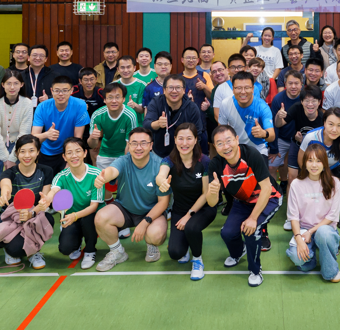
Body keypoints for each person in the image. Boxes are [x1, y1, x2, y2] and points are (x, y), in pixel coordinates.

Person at [207, 125, 282, 287]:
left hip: (269, 197)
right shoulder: (215, 165)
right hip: (243, 201)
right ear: (215, 147)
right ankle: (239, 251)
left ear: (236, 140)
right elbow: (212, 203)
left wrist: (253, 218)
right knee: (227, 233)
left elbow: (266, 188)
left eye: (228, 141)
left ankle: (255, 271)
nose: (225, 146)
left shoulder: (251, 154)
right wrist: (212, 192)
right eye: (220, 143)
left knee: (251, 231)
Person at [93, 128, 170, 271]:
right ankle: (117, 251)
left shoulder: (160, 165)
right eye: (134, 143)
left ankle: (152, 246)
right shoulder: (123, 161)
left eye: (143, 143)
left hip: (151, 212)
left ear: (151, 145)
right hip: (125, 209)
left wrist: (145, 223)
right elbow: (112, 171)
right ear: (128, 145)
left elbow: (163, 202)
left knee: (156, 235)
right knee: (101, 217)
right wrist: (104, 177)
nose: (138, 147)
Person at [155, 123, 216, 280]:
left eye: (189, 138)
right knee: (175, 253)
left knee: (191, 227)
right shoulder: (169, 160)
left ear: (195, 140)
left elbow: (205, 194)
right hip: (180, 209)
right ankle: (187, 243)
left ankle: (197, 259)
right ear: (175, 139)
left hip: (203, 208)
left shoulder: (204, 162)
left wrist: (189, 215)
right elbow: (161, 175)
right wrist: (162, 182)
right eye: (180, 138)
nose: (184, 143)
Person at [0, 135, 55, 268]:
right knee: (16, 249)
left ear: (38, 152)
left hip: (33, 215)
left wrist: (32, 213)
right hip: (11, 218)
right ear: (16, 153)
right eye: (22, 151)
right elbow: (6, 185)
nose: (27, 155)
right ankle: (9, 249)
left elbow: (44, 199)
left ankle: (34, 252)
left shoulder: (46, 171)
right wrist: (4, 194)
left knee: (48, 219)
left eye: (31, 151)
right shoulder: (9, 173)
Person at [286, 144, 340, 282]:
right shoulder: (296, 184)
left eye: (318, 161)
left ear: (324, 163)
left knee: (323, 234)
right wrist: (298, 239)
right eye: (310, 160)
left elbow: (332, 216)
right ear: (305, 163)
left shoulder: (334, 183)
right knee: (297, 258)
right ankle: (315, 257)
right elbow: (293, 217)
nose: (314, 165)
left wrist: (311, 232)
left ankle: (330, 270)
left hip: (325, 229)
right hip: (303, 230)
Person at [45, 137, 103, 270]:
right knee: (65, 248)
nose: (74, 156)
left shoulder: (96, 174)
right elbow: (54, 190)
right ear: (64, 157)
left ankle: (90, 251)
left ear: (85, 153)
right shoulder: (61, 176)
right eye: (69, 153)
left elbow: (94, 206)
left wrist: (75, 216)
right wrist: (47, 198)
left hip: (90, 215)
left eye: (78, 151)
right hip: (71, 217)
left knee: (88, 218)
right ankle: (76, 243)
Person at [297, 108, 340, 229]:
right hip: (311, 170)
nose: (334, 129)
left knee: (328, 201)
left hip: (332, 170)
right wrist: (311, 176)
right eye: (331, 124)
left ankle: (328, 226)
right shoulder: (311, 137)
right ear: (324, 123)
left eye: (339, 125)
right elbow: (301, 160)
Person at [31, 75, 90, 175]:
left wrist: (69, 160)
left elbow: (78, 138)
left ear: (71, 90)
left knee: (69, 182)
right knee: (47, 182)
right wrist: (46, 135)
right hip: (47, 152)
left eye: (65, 90)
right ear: (51, 90)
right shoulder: (42, 107)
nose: (61, 94)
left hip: (70, 151)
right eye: (57, 90)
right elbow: (34, 138)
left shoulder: (80, 105)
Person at [217, 71, 276, 160]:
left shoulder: (262, 107)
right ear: (233, 89)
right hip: (234, 149)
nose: (243, 92)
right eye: (238, 88)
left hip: (258, 150)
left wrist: (263, 133)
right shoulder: (225, 104)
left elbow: (271, 136)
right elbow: (221, 131)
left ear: (253, 89)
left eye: (247, 88)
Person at [144, 75, 205, 159]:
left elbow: (198, 133)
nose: (174, 91)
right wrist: (158, 123)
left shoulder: (191, 107)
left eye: (178, 88)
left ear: (184, 90)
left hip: (184, 154)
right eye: (170, 87)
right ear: (164, 90)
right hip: (159, 154)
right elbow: (146, 124)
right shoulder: (156, 102)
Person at [276, 84, 324, 187]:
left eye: (314, 101)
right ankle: (291, 198)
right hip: (296, 145)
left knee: (312, 178)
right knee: (292, 179)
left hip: (314, 150)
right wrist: (279, 116)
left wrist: (304, 141)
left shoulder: (322, 119)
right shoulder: (297, 108)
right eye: (306, 101)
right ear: (301, 101)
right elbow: (278, 124)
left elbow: (322, 143)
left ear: (319, 102)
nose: (310, 104)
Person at [0, 69, 33, 172]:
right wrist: (5, 158)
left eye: (16, 83)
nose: (12, 87)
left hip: (19, 145)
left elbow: (24, 132)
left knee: (17, 176)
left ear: (21, 85)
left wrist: (12, 158)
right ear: (2, 85)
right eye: (8, 83)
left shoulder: (27, 103)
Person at [268, 70, 304, 195]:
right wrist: (274, 148)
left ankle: (298, 193)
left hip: (300, 140)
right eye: (290, 83)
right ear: (285, 84)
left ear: (301, 84)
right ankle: (274, 194)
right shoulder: (278, 99)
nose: (293, 86)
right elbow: (274, 125)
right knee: (272, 166)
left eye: (296, 83)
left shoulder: (306, 97)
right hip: (282, 138)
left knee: (300, 168)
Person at [89, 82, 138, 169]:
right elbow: (92, 145)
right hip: (105, 154)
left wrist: (126, 163)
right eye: (110, 97)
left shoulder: (130, 115)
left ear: (123, 99)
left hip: (124, 154)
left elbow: (130, 144)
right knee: (103, 177)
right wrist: (93, 137)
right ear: (104, 100)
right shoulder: (97, 115)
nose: (114, 101)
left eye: (117, 97)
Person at [72, 67, 105, 163]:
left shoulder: (101, 93)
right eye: (86, 80)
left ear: (96, 79)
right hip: (77, 129)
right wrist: (79, 108)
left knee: (95, 158)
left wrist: (99, 139)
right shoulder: (73, 92)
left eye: (92, 79)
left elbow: (104, 117)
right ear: (80, 81)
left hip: (95, 130)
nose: (89, 83)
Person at [181, 47, 213, 120]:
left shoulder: (204, 75)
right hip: (182, 118)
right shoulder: (177, 78)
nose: (191, 60)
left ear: (198, 60)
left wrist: (204, 87)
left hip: (201, 118)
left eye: (194, 58)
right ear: (182, 60)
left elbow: (212, 96)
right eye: (188, 58)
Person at [116, 55, 146, 125]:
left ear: (134, 68)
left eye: (128, 67)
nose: (125, 70)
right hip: (118, 125)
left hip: (137, 126)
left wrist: (135, 105)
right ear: (118, 69)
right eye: (122, 67)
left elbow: (143, 110)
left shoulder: (142, 85)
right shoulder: (113, 85)